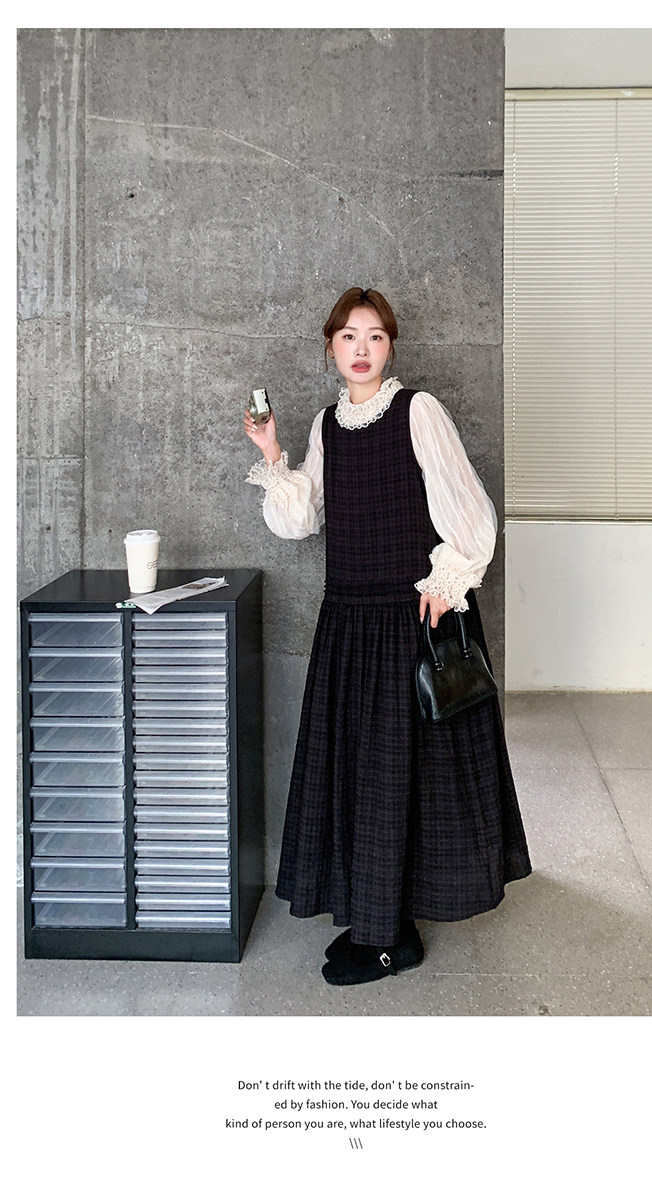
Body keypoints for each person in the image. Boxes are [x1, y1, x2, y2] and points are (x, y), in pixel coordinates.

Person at [244, 287, 531, 986]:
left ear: (390, 346)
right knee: (364, 778)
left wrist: (447, 579)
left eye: (374, 336)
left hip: (410, 622)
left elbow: (470, 511)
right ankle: (378, 922)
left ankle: (389, 938)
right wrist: (272, 452)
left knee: (405, 780)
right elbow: (303, 520)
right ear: (331, 348)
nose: (362, 348)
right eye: (349, 336)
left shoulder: (418, 411)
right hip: (349, 624)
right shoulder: (327, 424)